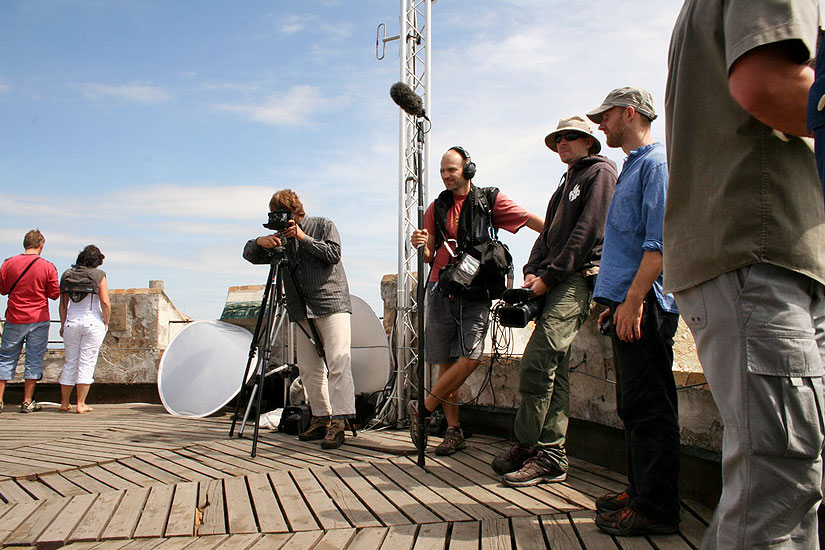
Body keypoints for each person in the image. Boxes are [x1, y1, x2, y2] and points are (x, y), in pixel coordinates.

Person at [666, 2, 824, 547]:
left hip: (762, 248)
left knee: (778, 477)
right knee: (778, 483)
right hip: (762, 247)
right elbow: (769, 84)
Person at [491, 116, 617, 486]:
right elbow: (547, 235)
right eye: (559, 138)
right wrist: (532, 270)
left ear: (589, 142)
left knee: (538, 359)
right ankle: (548, 453)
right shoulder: (565, 184)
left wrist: (549, 276)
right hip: (555, 278)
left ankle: (533, 443)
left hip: (576, 279)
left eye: (571, 137)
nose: (563, 143)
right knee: (554, 368)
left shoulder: (601, 173)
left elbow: (588, 231)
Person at [585, 88, 681, 536]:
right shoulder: (633, 168)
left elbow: (658, 242)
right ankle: (640, 490)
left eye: (605, 116)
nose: (600, 125)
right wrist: (615, 303)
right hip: (627, 305)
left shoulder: (657, 165)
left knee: (650, 407)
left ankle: (657, 507)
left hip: (645, 306)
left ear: (629, 113)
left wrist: (635, 300)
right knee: (634, 405)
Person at [408, 146, 543, 455]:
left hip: (476, 292)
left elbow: (527, 218)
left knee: (470, 357)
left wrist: (556, 234)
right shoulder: (436, 207)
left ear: (468, 169)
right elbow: (429, 255)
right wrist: (420, 244)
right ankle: (453, 431)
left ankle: (425, 409)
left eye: (451, 170)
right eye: (442, 171)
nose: (445, 176)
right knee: (446, 364)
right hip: (441, 288)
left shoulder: (487, 200)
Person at [244, 189, 355, 450]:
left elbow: (333, 254)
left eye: (287, 217)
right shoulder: (280, 239)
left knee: (338, 362)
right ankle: (321, 417)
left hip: (331, 303)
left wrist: (302, 237)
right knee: (308, 368)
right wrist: (261, 241)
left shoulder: (323, 225)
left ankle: (340, 422)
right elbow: (250, 255)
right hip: (300, 307)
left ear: (299, 213)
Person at [0, 229, 60, 413]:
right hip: (38, 318)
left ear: (25, 244)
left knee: (6, 358)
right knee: (33, 359)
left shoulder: (8, 264)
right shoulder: (48, 266)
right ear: (41, 245)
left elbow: (2, 290)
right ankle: (27, 401)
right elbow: (55, 294)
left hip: (14, 317)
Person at [58, 245, 110, 414]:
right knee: (87, 362)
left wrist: (62, 324)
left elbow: (63, 305)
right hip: (92, 321)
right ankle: (81, 403)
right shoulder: (99, 275)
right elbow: (105, 302)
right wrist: (106, 321)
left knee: (70, 362)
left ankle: (65, 402)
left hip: (71, 322)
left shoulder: (67, 275)